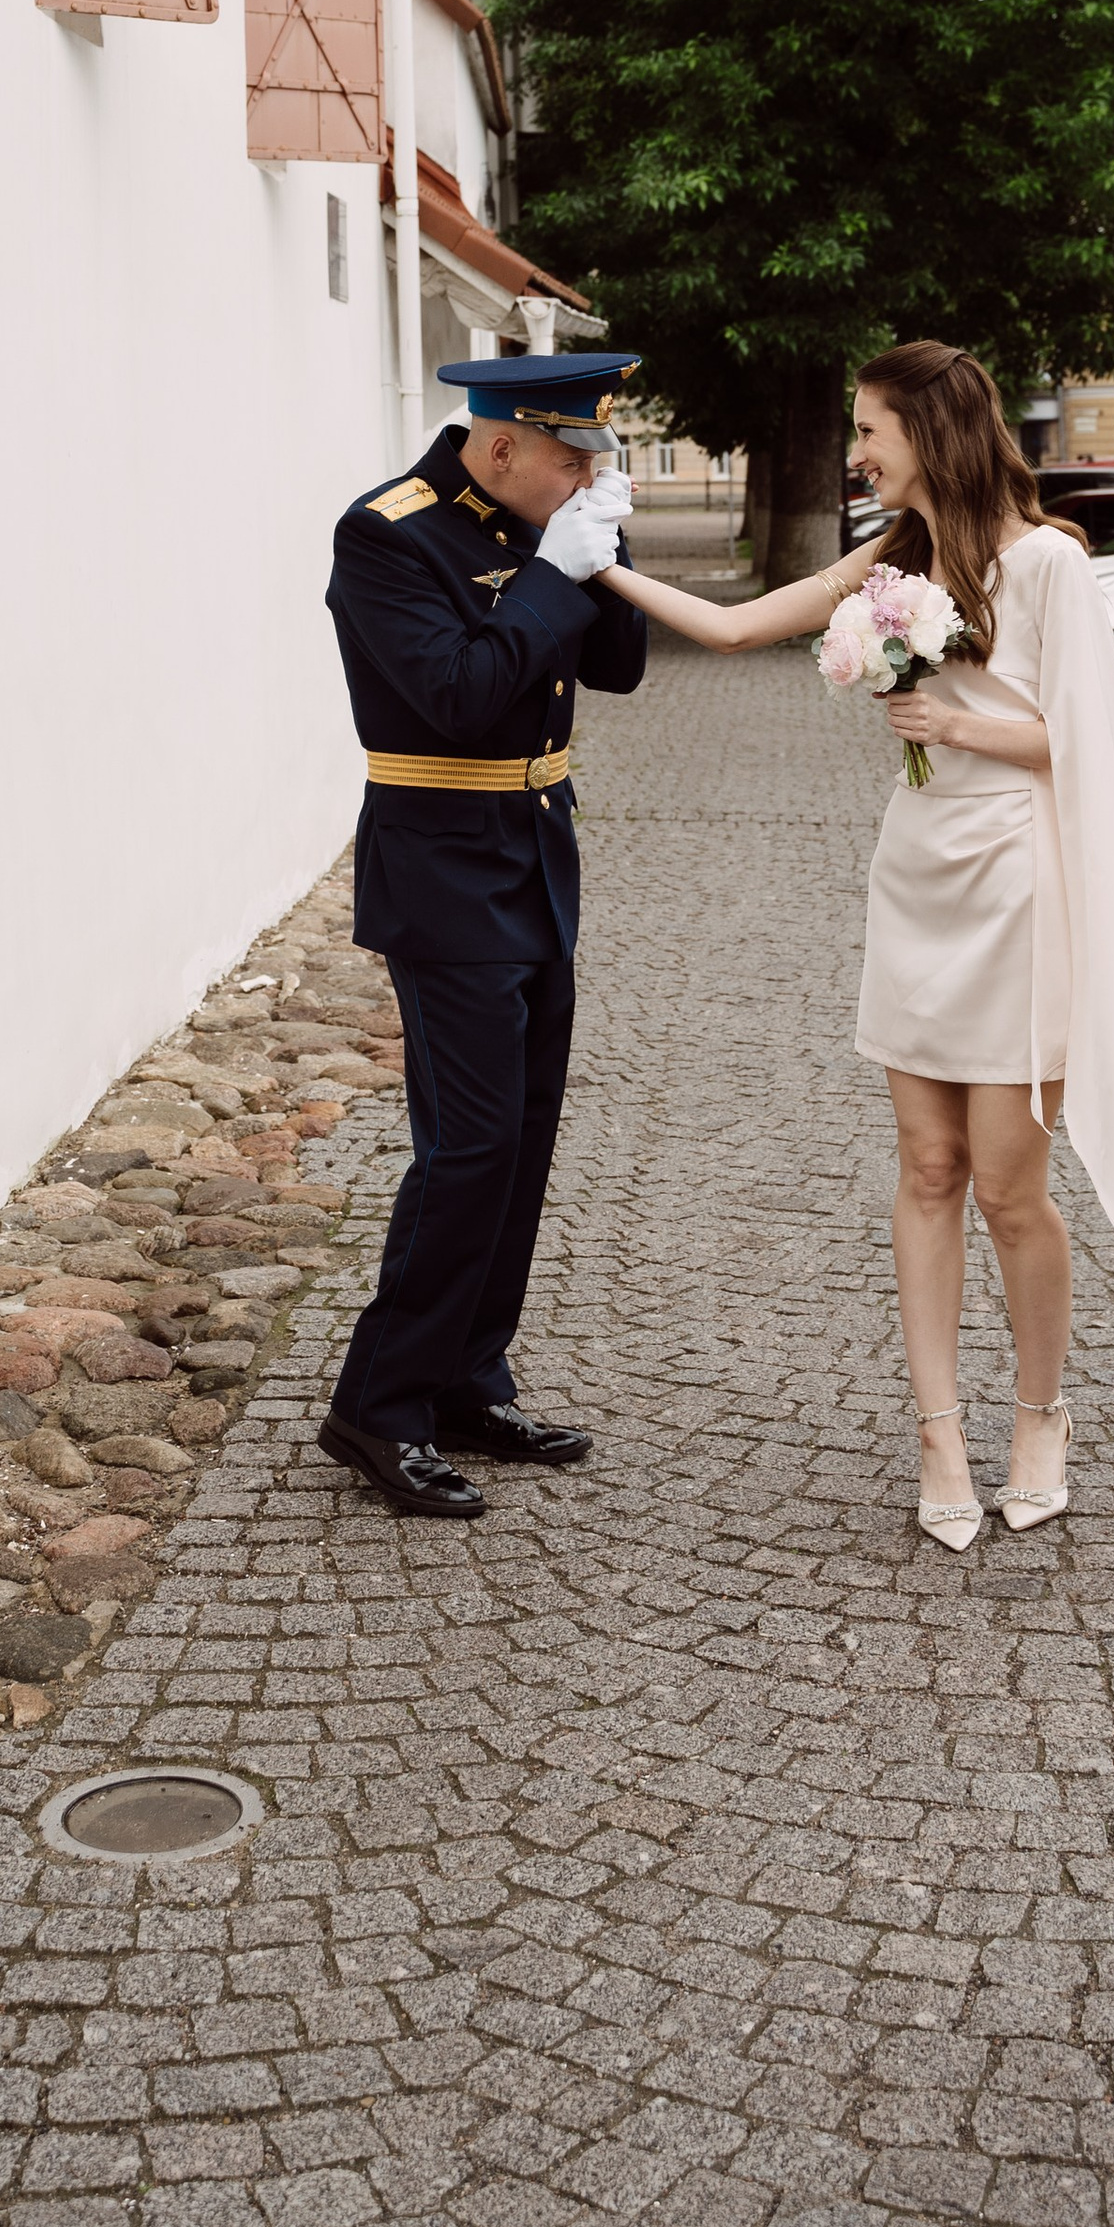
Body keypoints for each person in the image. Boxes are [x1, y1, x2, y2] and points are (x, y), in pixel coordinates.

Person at [584, 340, 1114, 1549]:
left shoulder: (1048, 564)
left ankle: (1040, 1415)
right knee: (925, 1170)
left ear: (932, 428)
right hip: (916, 879)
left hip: (1022, 886)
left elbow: (1095, 749)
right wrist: (595, 566)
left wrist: (955, 728)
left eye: (870, 429)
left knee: (1012, 1189)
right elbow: (732, 625)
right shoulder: (894, 555)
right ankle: (936, 1430)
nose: (857, 451)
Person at [317, 352, 649, 1517]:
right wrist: (555, 574)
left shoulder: (538, 525)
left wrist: (602, 558)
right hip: (444, 868)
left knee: (519, 1140)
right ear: (500, 447)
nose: (584, 477)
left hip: (533, 856)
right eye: (573, 461)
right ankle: (379, 1402)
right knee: (465, 1147)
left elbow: (613, 670)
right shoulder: (387, 537)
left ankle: (466, 1374)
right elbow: (455, 695)